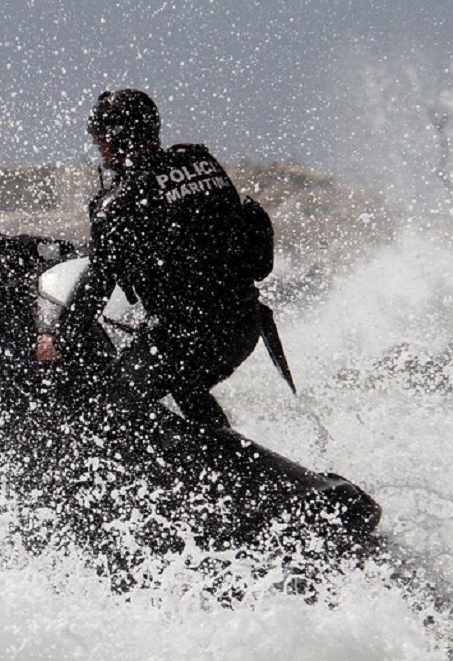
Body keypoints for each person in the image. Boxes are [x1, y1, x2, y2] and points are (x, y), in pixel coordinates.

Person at [37, 88, 275, 430]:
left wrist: (58, 339)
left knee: (109, 409)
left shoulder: (118, 205)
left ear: (119, 136)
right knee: (185, 384)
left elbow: (98, 282)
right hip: (243, 325)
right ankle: (228, 448)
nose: (96, 145)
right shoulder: (201, 163)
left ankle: (205, 470)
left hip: (189, 339)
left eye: (100, 136)